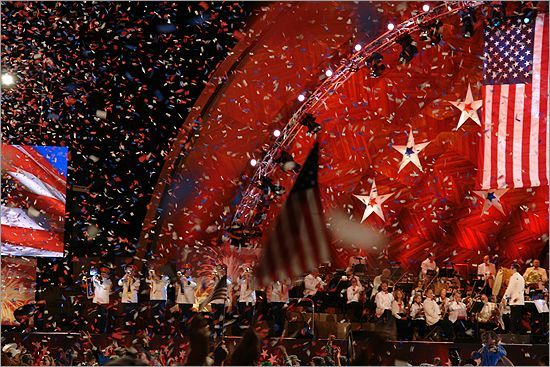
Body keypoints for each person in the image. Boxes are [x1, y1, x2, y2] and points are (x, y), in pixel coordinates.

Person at [502, 263, 525, 334]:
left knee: (513, 318)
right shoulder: (521, 277)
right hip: (520, 301)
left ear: (514, 269)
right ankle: (519, 334)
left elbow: (510, 288)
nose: (510, 270)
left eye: (511, 268)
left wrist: (504, 297)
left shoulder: (514, 277)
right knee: (517, 318)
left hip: (515, 301)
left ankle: (513, 333)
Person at [145, 269, 170, 333]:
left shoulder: (166, 278)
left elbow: (159, 281)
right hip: (153, 298)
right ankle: (154, 329)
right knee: (153, 314)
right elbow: (147, 281)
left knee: (161, 314)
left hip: (162, 298)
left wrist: (153, 275)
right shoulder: (153, 277)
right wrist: (150, 275)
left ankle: (161, 329)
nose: (158, 271)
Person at [175, 264, 197, 333]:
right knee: (181, 316)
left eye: (189, 269)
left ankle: (188, 331)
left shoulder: (192, 279)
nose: (188, 271)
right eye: (186, 269)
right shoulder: (180, 278)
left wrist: (186, 280)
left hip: (189, 301)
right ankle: (181, 331)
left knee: (188, 316)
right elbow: (176, 285)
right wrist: (180, 278)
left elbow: (194, 285)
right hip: (181, 301)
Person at [118, 265, 140, 333]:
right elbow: (119, 283)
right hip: (125, 299)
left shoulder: (137, 279)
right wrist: (125, 276)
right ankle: (126, 330)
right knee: (126, 316)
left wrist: (131, 278)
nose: (130, 272)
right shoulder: (125, 279)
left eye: (131, 271)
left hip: (133, 300)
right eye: (128, 271)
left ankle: (133, 330)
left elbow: (135, 287)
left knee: (133, 316)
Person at [92, 267, 112, 333]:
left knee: (103, 317)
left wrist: (99, 281)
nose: (102, 275)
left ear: (108, 275)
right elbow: (94, 285)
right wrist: (95, 279)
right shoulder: (98, 279)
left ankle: (102, 330)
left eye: (104, 273)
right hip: (97, 301)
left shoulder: (108, 281)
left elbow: (105, 287)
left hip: (104, 302)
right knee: (96, 316)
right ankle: (95, 329)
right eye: (102, 273)